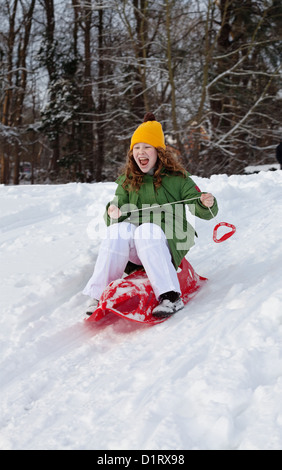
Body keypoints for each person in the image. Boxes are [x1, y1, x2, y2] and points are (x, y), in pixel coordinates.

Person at [83, 112, 218, 318]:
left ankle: (171, 296)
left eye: (146, 147)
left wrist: (205, 202)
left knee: (147, 230)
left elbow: (199, 205)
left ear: (158, 151)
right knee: (118, 230)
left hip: (171, 240)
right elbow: (116, 206)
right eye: (136, 148)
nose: (141, 152)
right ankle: (99, 294)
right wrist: (113, 211)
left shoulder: (177, 178)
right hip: (139, 244)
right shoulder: (128, 180)